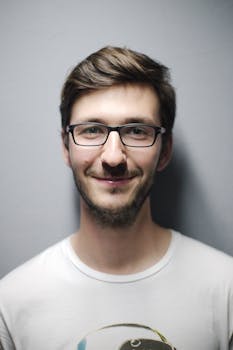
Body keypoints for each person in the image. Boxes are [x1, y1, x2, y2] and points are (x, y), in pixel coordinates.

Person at [0, 46, 232, 350]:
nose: (113, 157)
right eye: (92, 130)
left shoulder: (226, 289)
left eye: (136, 131)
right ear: (65, 147)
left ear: (165, 150)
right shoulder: (10, 304)